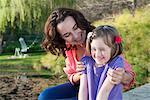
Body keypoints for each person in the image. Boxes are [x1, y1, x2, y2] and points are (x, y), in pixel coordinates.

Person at [38, 8, 135, 100]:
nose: (76, 36)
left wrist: (120, 76)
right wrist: (81, 73)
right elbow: (72, 76)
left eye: (75, 27)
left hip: (101, 88)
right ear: (61, 38)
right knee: (45, 96)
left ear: (80, 21)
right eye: (67, 35)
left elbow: (129, 75)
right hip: (82, 87)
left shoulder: (101, 38)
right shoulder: (69, 47)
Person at [79, 25, 125, 100]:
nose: (97, 54)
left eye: (102, 49)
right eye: (94, 49)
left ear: (113, 48)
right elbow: (83, 89)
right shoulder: (87, 62)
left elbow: (104, 91)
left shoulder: (115, 64)